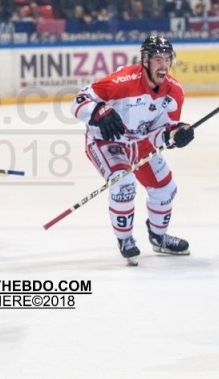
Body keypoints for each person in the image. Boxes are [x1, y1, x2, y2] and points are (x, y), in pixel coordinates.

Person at [71, 36, 193, 266]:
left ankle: (159, 237)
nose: (164, 64)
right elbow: (78, 101)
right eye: (158, 58)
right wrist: (98, 112)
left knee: (166, 188)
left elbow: (160, 133)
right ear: (145, 60)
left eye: (168, 58)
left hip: (141, 142)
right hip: (107, 141)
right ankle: (126, 240)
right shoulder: (123, 80)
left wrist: (175, 134)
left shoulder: (174, 92)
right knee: (123, 184)